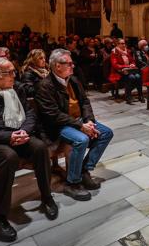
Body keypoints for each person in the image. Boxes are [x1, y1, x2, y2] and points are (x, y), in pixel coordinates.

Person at [0, 58, 57, 242]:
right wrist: (7, 137)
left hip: (18, 135)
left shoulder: (17, 88)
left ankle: (46, 196)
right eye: (10, 73)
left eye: (14, 71)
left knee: (39, 147)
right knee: (8, 156)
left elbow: (30, 113)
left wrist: (25, 131)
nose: (15, 75)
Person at [34, 49, 113, 201]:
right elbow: (53, 115)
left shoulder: (73, 80)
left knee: (106, 133)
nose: (73, 66)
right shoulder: (45, 86)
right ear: (57, 66)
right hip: (58, 126)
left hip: (78, 122)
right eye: (69, 63)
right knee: (81, 139)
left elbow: (84, 102)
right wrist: (80, 126)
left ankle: (84, 171)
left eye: (72, 63)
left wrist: (89, 120)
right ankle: (72, 183)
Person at [109, 38, 144, 104]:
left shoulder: (127, 51)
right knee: (131, 77)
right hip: (119, 72)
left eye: (124, 43)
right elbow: (115, 65)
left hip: (129, 70)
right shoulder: (114, 52)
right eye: (122, 43)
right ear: (117, 44)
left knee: (138, 76)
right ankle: (128, 96)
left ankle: (140, 95)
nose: (124, 45)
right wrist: (127, 66)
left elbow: (132, 61)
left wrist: (133, 64)